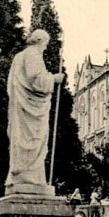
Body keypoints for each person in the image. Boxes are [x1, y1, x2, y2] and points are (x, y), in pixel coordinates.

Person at [5, 29, 64, 192]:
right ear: (40, 41)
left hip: (21, 107)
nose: (45, 48)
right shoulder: (32, 54)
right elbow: (35, 79)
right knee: (35, 139)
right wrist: (54, 79)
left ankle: (22, 176)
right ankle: (30, 178)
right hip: (30, 111)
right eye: (45, 44)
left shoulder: (18, 57)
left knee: (21, 140)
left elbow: (10, 85)